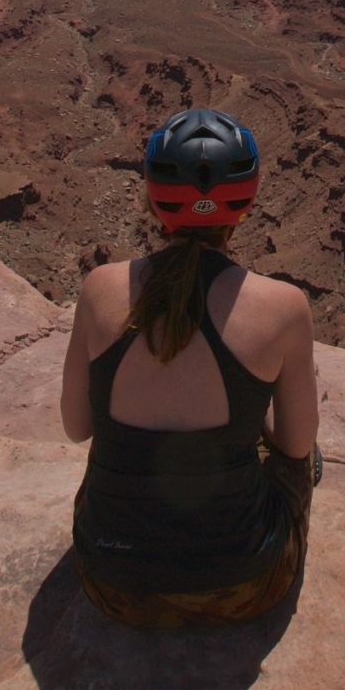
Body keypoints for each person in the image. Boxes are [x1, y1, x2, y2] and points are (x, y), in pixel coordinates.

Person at [62, 108, 320, 629]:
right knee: (301, 461)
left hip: (112, 584)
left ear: (153, 199)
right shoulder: (283, 306)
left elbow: (76, 428)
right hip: (244, 585)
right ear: (246, 204)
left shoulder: (101, 290)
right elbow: (295, 446)